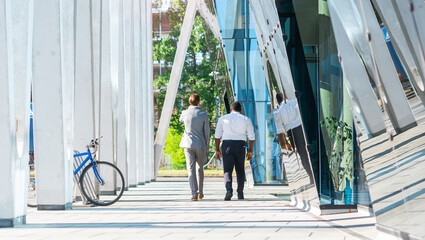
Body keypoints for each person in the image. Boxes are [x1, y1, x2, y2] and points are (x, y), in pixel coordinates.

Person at [215, 102, 255, 201]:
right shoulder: (246, 120)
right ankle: (240, 193)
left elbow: (217, 136)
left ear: (231, 109)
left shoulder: (223, 119)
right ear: (240, 109)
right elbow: (251, 137)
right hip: (240, 145)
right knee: (240, 170)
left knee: (227, 169)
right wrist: (250, 150)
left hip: (227, 145)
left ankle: (229, 190)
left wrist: (217, 149)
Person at [273, 93, 314, 183]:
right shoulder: (293, 102)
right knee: (308, 150)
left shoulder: (278, 112)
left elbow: (280, 130)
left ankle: (310, 175)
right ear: (285, 97)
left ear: (278, 101)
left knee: (302, 155)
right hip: (300, 129)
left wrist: (285, 144)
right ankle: (314, 172)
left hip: (291, 133)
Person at [179, 94, 210, 201]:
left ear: (189, 102)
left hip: (187, 144)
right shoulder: (203, 114)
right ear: (198, 102)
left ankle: (193, 194)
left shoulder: (184, 113)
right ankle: (200, 192)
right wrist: (207, 145)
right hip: (200, 144)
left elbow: (181, 120)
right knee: (199, 169)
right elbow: (207, 131)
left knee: (190, 169)